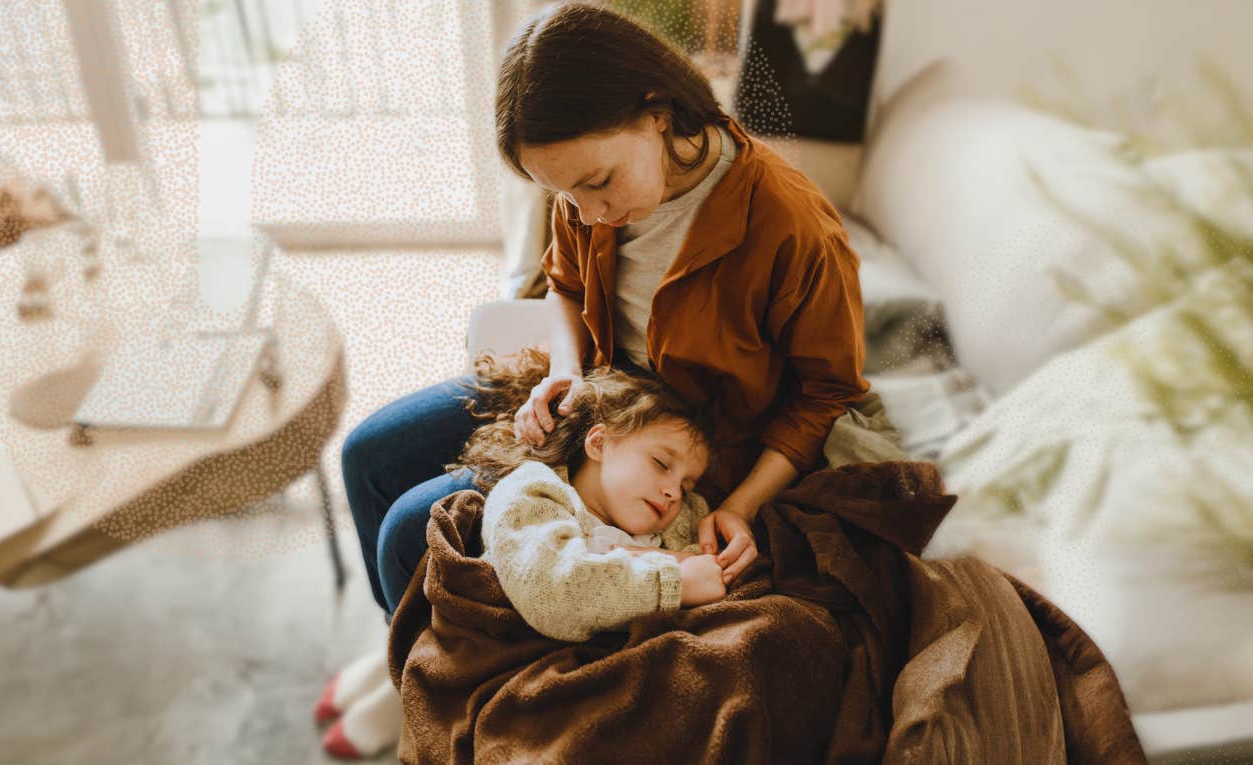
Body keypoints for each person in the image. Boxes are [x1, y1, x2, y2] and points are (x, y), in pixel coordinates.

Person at [315, 2, 868, 758]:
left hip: (675, 435)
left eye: (597, 183)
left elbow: (825, 393)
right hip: (598, 396)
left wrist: (738, 503)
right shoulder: (587, 199)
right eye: (565, 195)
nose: (587, 212)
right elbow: (564, 282)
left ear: (658, 112)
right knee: (367, 455)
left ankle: (431, 672)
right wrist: (567, 373)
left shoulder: (790, 226)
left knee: (413, 526)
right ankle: (409, 649)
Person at [461, 358, 726, 641]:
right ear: (599, 443)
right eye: (661, 463)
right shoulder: (531, 493)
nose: (675, 492)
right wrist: (674, 582)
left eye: (685, 487)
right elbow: (553, 593)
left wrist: (640, 557)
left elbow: (711, 570)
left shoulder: (679, 516)